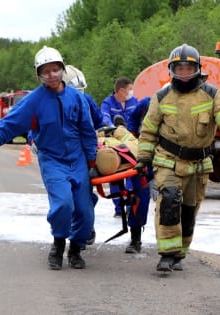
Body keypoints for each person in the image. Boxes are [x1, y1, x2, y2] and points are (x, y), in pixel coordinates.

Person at [0, 46, 97, 270]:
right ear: (39, 74)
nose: (51, 75)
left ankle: (76, 249)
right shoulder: (34, 101)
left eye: (55, 69)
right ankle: (59, 243)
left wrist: (92, 162)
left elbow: (88, 131)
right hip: (52, 160)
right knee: (63, 204)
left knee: (85, 210)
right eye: (46, 71)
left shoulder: (77, 98)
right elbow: (9, 123)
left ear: (62, 69)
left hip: (78, 160)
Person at [135, 43, 220, 272]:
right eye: (179, 68)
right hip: (168, 161)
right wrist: (143, 158)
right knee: (169, 202)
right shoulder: (162, 97)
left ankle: (179, 253)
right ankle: (166, 254)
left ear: (197, 69)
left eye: (188, 68)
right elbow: (148, 130)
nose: (184, 73)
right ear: (171, 70)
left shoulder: (212, 94)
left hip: (198, 166)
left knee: (188, 212)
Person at [62, 64, 104, 246]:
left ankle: (85, 229)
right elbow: (38, 122)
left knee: (83, 197)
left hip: (82, 156)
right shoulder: (51, 102)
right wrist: (33, 140)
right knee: (64, 198)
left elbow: (100, 122)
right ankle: (67, 233)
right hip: (60, 157)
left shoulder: (86, 100)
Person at [93, 125, 152, 254]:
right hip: (104, 152)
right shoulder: (94, 150)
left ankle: (136, 237)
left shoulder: (132, 149)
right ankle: (84, 230)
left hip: (131, 159)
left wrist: (114, 130)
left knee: (141, 195)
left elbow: (134, 143)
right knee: (81, 194)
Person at [101, 77, 138, 217]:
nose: (132, 92)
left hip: (131, 144)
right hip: (115, 144)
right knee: (114, 176)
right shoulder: (108, 103)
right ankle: (118, 208)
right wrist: (114, 128)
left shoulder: (134, 102)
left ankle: (130, 204)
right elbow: (104, 118)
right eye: (130, 89)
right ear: (122, 91)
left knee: (131, 174)